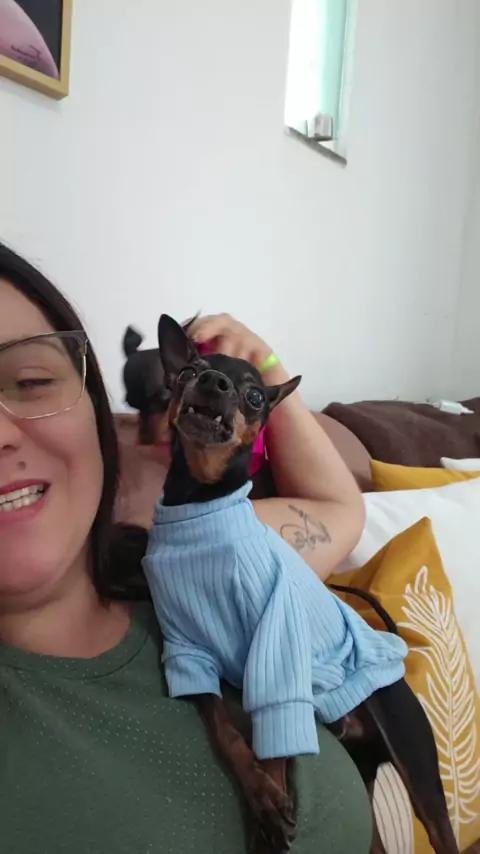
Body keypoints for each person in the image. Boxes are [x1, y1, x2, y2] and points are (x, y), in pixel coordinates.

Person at [0, 242, 371, 854]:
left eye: (32, 381)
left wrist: (265, 370)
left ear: (95, 411)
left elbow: (339, 510)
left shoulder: (187, 549)